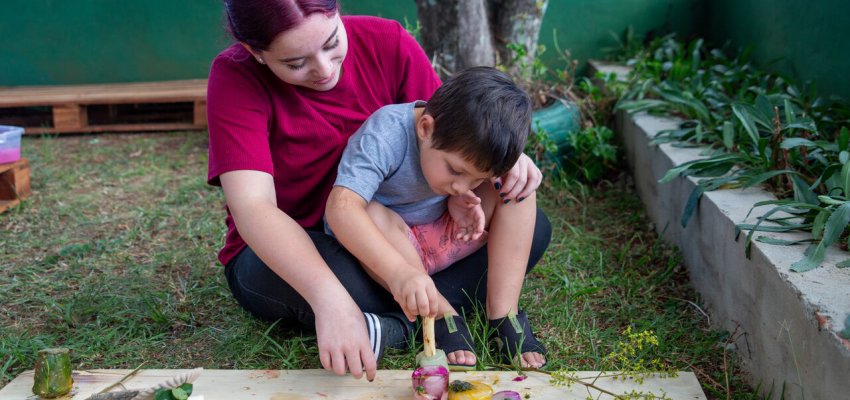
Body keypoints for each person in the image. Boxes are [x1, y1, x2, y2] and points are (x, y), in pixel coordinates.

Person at [206, 0, 551, 381]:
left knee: (530, 223)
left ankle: (404, 319)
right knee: (295, 273)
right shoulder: (235, 77)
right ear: (256, 52)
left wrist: (505, 164)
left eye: (332, 42)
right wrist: (331, 301)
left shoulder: (387, 42)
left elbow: (455, 139)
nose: (324, 69)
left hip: (401, 240)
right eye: (295, 63)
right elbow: (255, 209)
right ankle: (420, 316)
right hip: (309, 245)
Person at [325, 66, 547, 369]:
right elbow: (341, 208)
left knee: (519, 188)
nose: (461, 184)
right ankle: (443, 314)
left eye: (474, 178)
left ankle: (504, 314)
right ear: (426, 129)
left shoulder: (460, 158)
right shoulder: (385, 134)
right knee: (370, 212)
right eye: (455, 171)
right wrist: (401, 273)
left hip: (444, 237)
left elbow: (472, 179)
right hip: (393, 254)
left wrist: (465, 194)